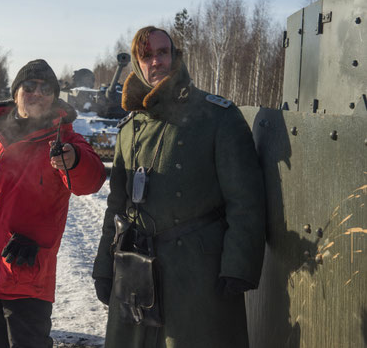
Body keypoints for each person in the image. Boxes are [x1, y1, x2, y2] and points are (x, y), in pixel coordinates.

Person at [92, 26, 266, 347]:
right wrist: (105, 266)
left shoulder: (216, 116)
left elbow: (246, 199)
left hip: (199, 276)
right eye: (146, 55)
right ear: (136, 63)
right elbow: (117, 207)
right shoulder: (130, 127)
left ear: (175, 57)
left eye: (163, 52)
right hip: (136, 273)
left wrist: (239, 266)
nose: (156, 61)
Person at [0, 59, 106, 347]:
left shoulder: (64, 139)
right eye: (29, 86)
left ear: (54, 98)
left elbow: (92, 180)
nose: (37, 93)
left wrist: (74, 160)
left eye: (45, 88)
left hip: (27, 273)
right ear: (16, 93)